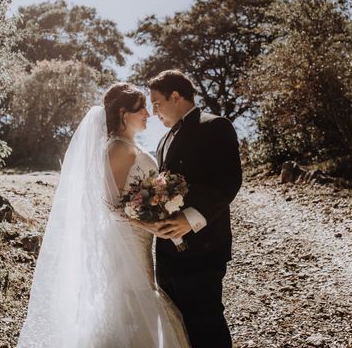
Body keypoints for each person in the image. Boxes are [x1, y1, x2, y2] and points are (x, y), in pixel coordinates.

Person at [17, 82, 189, 348]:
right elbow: (109, 206)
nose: (147, 113)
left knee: (136, 300)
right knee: (128, 304)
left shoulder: (126, 146)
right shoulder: (119, 148)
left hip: (138, 240)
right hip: (126, 243)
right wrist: (149, 223)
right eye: (141, 108)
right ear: (123, 113)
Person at [145, 70, 243, 348]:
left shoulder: (215, 126)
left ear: (175, 97)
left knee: (205, 325)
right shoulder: (163, 141)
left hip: (204, 249)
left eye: (156, 103)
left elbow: (228, 182)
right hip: (166, 254)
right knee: (176, 328)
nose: (154, 112)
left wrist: (190, 220)